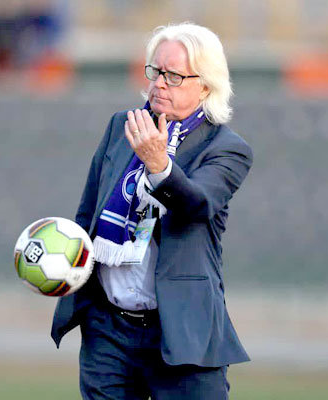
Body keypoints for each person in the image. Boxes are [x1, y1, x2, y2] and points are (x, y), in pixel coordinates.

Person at [51, 22, 253, 399]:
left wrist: (159, 165)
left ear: (205, 85)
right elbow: (88, 214)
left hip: (182, 332)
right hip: (108, 330)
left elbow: (197, 206)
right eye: (155, 71)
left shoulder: (227, 148)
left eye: (173, 76)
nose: (159, 83)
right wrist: (62, 263)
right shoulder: (122, 127)